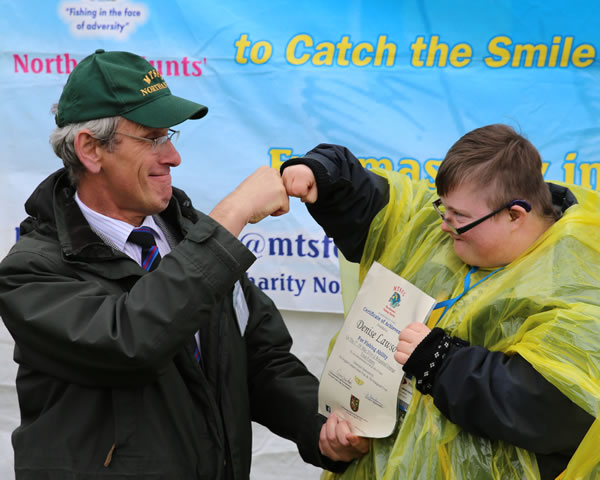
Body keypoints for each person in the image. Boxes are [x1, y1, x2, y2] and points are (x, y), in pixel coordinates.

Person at [0, 49, 368, 479]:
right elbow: (130, 342)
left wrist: (321, 426)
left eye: (170, 135)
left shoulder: (191, 237)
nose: (172, 156)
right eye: (152, 139)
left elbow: (261, 361)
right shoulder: (31, 270)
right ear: (91, 150)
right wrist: (230, 219)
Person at [281, 125, 600, 480]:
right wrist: (323, 174)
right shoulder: (448, 228)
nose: (444, 226)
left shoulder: (581, 273)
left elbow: (557, 407)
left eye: (458, 218)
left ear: (515, 215)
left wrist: (442, 362)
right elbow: (384, 205)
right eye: (442, 209)